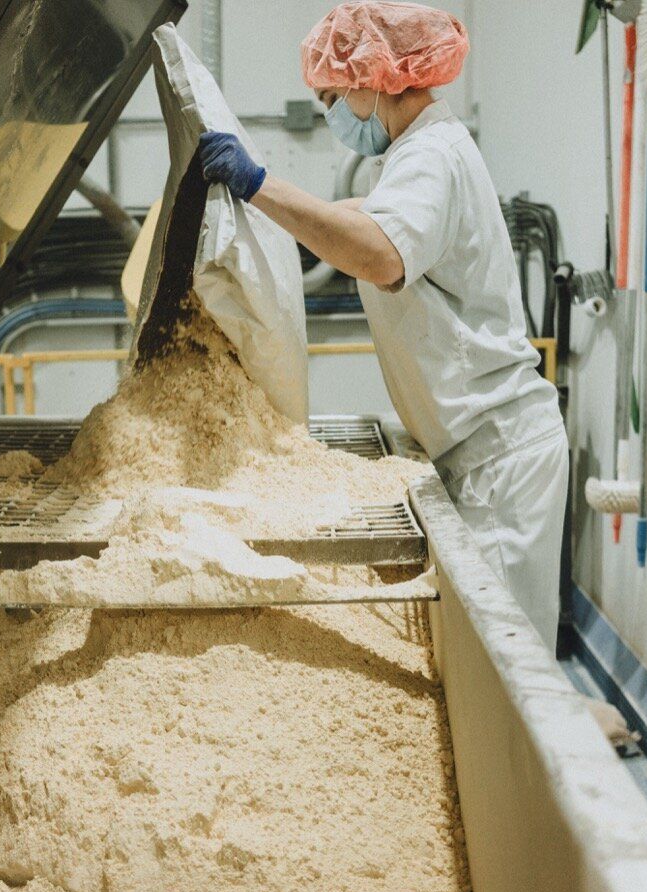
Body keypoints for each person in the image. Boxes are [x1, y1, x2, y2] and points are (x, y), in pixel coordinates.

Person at [197, 1, 568, 648]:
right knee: (487, 652)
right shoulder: (419, 154)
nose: (331, 116)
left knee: (509, 660)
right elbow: (361, 214)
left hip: (498, 455)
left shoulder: (430, 158)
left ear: (371, 77)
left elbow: (378, 252)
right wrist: (269, 218)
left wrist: (259, 185)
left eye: (331, 98)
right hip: (479, 446)